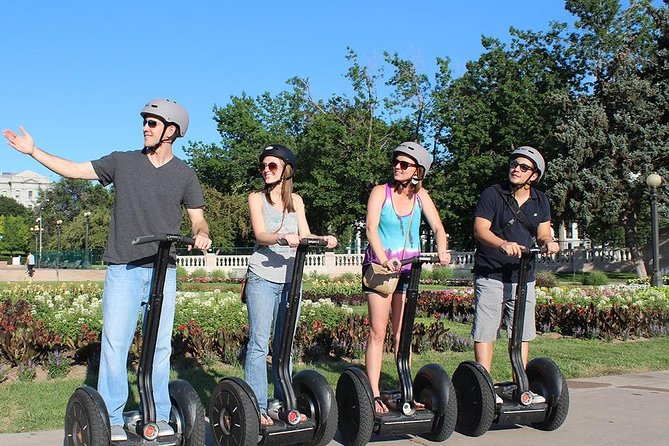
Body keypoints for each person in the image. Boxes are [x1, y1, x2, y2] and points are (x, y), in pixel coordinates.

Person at [3, 98, 212, 441]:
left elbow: (199, 220)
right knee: (116, 343)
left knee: (160, 347)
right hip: (124, 269)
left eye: (153, 123)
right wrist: (34, 152)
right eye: (144, 121)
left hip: (163, 270)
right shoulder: (123, 162)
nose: (145, 127)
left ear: (171, 131)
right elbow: (74, 170)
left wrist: (201, 235)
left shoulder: (185, 174)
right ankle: (112, 417)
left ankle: (158, 413)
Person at [245, 144, 337, 426]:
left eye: (272, 166)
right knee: (260, 343)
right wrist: (283, 237)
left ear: (286, 170)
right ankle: (256, 406)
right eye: (264, 166)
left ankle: (282, 401)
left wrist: (324, 240)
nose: (266, 170)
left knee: (286, 344)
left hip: (290, 280)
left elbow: (305, 234)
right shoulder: (255, 198)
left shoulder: (296, 201)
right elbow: (261, 234)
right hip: (262, 277)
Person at [363, 141, 451, 414]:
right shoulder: (381, 192)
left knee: (403, 333)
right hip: (381, 269)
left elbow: (438, 226)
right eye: (395, 162)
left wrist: (441, 249)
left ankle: (405, 389)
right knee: (378, 332)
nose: (397, 167)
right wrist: (383, 257)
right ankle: (374, 393)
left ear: (418, 171)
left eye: (404, 164)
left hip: (410, 269)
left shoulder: (421, 196)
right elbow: (370, 228)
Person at [471, 146, 560, 404]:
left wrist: (548, 243)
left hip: (523, 274)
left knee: (520, 331)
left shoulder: (540, 200)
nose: (516, 169)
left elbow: (543, 232)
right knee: (486, 329)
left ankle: (520, 385)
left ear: (534, 176)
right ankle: (484, 388)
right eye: (514, 164)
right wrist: (501, 243)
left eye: (523, 167)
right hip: (491, 271)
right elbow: (480, 229)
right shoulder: (493, 194)